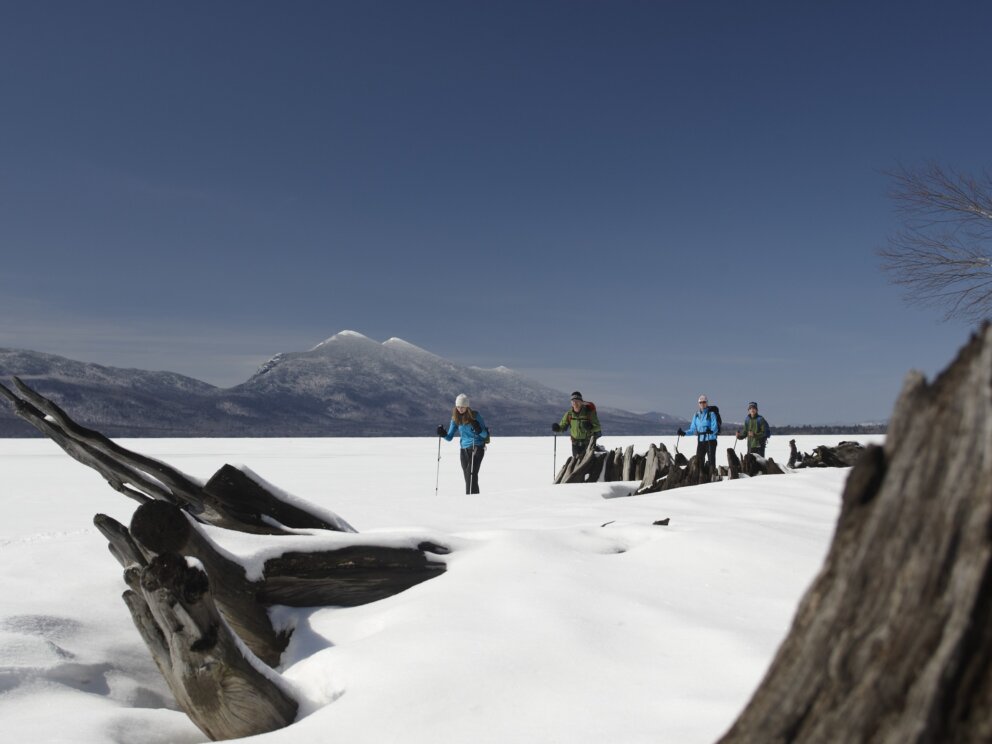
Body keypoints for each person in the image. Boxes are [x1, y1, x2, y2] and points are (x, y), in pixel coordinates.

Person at [436, 393, 489, 494]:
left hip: (477, 447)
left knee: (471, 475)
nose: (460, 409)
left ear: (467, 407)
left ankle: (470, 500)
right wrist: (442, 434)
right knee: (467, 477)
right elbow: (449, 437)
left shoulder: (475, 416)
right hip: (463, 449)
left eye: (463, 407)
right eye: (458, 407)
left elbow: (485, 435)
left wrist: (478, 429)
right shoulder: (455, 418)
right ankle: (473, 498)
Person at [552, 391, 602, 457]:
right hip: (575, 444)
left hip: (587, 443)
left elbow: (598, 427)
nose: (575, 403)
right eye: (573, 401)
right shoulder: (569, 414)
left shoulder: (589, 413)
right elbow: (563, 426)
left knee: (587, 464)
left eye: (577, 401)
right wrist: (558, 428)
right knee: (576, 463)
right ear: (571, 403)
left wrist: (591, 428)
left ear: (581, 402)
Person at [677, 394, 718, 471]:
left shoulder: (711, 414)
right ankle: (700, 478)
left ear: (707, 403)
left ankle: (713, 476)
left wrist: (711, 431)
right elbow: (692, 429)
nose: (702, 404)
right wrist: (684, 433)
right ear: (698, 404)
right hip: (701, 441)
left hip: (711, 440)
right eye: (700, 402)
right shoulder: (696, 415)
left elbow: (715, 427)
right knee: (699, 461)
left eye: (704, 402)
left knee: (711, 461)